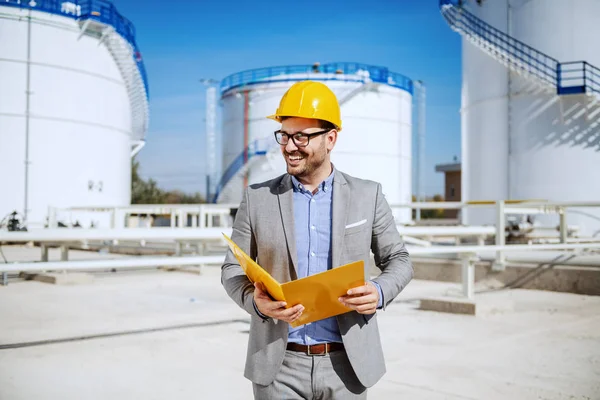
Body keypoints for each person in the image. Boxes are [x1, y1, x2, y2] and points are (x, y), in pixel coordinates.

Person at [221, 80, 413, 399]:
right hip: (278, 367)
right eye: (284, 135)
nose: (289, 146)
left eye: (301, 137)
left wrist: (379, 291)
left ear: (331, 139)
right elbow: (231, 270)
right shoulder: (256, 199)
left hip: (347, 366)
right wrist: (254, 300)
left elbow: (399, 260)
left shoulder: (368, 195)